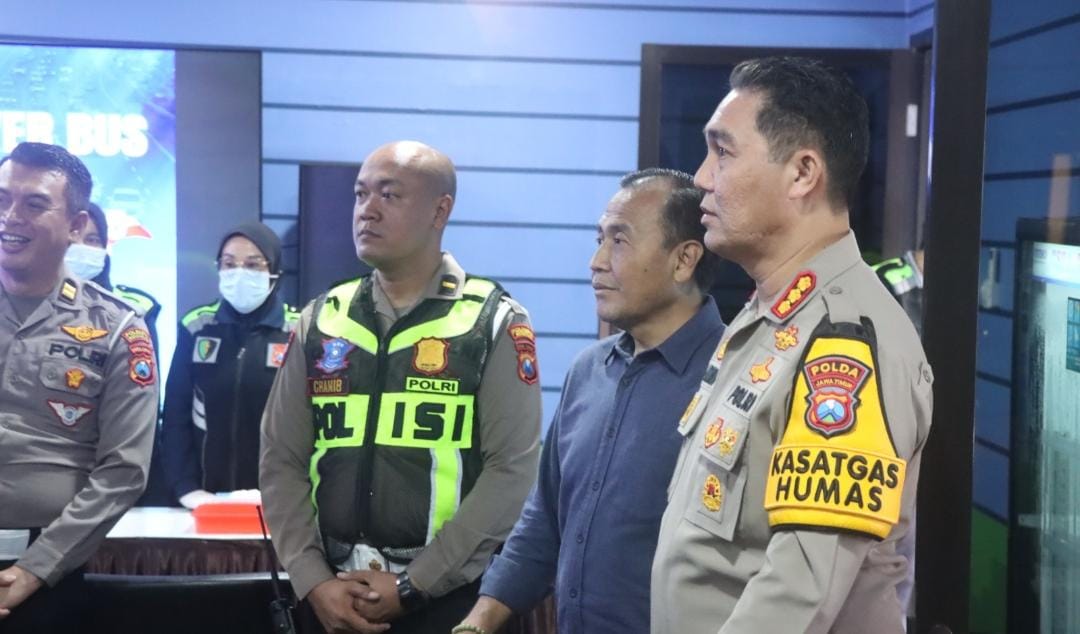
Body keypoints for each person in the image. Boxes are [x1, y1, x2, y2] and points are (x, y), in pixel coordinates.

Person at [650, 56, 934, 634]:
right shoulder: (771, 315)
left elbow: (798, 595)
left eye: (722, 152)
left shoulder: (845, 340)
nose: (701, 177)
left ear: (803, 173)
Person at [260, 140, 542, 634]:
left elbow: (511, 471)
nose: (366, 210)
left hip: (449, 602)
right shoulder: (323, 318)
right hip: (332, 598)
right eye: (360, 194)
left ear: (440, 210)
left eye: (388, 195)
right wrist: (312, 580)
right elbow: (280, 457)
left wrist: (415, 585)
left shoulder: (491, 320)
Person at [453, 169, 725, 634]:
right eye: (600, 240)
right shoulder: (587, 371)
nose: (596, 262)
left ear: (684, 260)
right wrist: (478, 621)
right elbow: (544, 522)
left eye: (619, 241)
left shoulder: (734, 377)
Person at [0, 142, 158, 631]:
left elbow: (124, 471)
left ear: (76, 225)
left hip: (44, 577)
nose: (11, 216)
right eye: (2, 198)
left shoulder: (118, 327)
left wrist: (36, 569)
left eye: (34, 204)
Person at [160, 222, 299, 508]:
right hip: (202, 499)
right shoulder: (197, 326)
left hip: (279, 503)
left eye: (253, 264)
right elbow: (175, 414)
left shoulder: (298, 330)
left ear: (274, 271)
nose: (239, 273)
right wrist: (186, 488)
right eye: (229, 264)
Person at [65, 202, 162, 351]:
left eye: (92, 240)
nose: (80, 246)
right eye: (72, 237)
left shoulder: (135, 308)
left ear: (104, 247)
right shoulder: (34, 301)